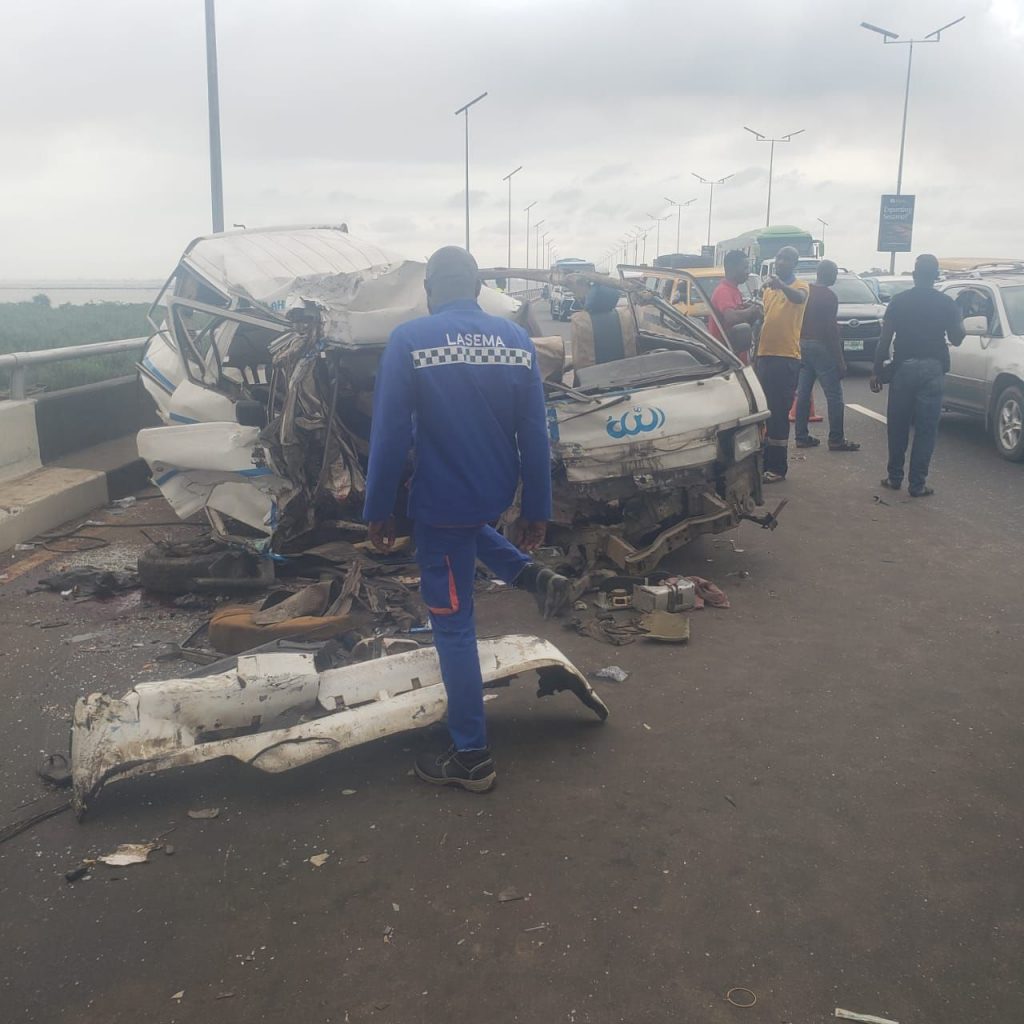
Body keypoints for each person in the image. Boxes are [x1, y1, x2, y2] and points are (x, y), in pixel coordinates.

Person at [363, 246, 571, 793]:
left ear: (431, 291)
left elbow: (387, 435)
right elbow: (535, 433)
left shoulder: (410, 340)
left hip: (440, 497)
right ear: (477, 288)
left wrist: (377, 508)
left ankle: (471, 756)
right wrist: (536, 509)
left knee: (452, 625)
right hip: (490, 493)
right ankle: (532, 574)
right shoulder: (516, 340)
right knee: (459, 528)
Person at [871, 253, 964, 497]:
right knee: (926, 429)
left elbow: (884, 339)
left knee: (898, 425)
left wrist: (877, 371)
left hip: (904, 367)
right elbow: (957, 336)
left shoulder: (899, 301)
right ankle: (917, 484)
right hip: (933, 369)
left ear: (913, 276)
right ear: (936, 277)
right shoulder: (946, 303)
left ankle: (894, 477)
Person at [754, 245, 808, 481]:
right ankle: (765, 461)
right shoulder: (768, 291)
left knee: (778, 413)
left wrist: (782, 286)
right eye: (778, 257)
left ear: (794, 263)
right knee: (764, 412)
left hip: (786, 358)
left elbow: (799, 298)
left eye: (786, 259)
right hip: (765, 355)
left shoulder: (799, 287)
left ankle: (778, 468)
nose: (780, 261)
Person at [794, 260, 860, 452]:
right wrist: (840, 361)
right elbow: (830, 331)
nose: (835, 277)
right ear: (829, 274)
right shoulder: (829, 296)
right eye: (834, 274)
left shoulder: (806, 292)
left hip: (802, 344)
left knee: (803, 393)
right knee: (834, 395)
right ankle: (836, 439)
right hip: (821, 346)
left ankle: (801, 436)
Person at [709, 250, 761, 363]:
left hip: (735, 354)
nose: (748, 272)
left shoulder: (734, 290)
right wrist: (750, 311)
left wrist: (746, 309)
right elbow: (731, 317)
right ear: (732, 269)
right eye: (745, 268)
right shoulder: (723, 291)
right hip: (726, 356)